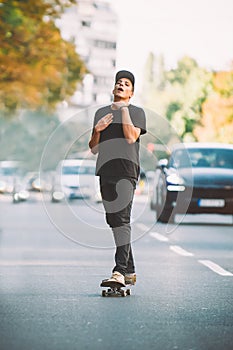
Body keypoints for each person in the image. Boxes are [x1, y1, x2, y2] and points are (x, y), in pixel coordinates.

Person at [89, 70, 147, 286]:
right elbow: (94, 148)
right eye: (118, 82)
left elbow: (132, 137)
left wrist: (123, 110)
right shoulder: (101, 113)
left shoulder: (137, 112)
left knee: (121, 220)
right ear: (113, 88)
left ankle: (119, 271)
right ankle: (130, 269)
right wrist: (97, 129)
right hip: (105, 171)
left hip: (126, 171)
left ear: (131, 92)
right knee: (112, 219)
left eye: (126, 84)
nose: (121, 85)